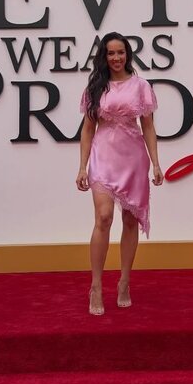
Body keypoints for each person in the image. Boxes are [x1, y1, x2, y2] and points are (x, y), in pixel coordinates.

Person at [76, 32, 163, 316]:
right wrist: (82, 166)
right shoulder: (95, 88)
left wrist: (156, 163)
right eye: (111, 53)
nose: (116, 58)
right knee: (103, 217)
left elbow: (148, 127)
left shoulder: (141, 86)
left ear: (128, 54)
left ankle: (124, 281)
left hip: (133, 158)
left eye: (121, 52)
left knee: (129, 219)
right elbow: (87, 129)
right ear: (104, 56)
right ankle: (96, 286)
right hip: (103, 155)